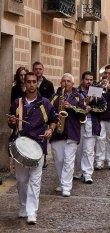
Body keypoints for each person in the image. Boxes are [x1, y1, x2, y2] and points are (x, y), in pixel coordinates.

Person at [8, 72, 57, 224]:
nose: (31, 84)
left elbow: (54, 120)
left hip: (38, 145)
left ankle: (31, 212)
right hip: (21, 145)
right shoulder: (17, 103)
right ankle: (23, 206)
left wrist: (50, 130)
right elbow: (12, 123)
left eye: (34, 82)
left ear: (37, 83)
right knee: (21, 180)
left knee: (35, 181)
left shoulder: (45, 103)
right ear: (25, 84)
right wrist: (11, 121)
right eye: (28, 81)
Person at [50, 73, 86, 197]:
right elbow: (49, 112)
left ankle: (66, 186)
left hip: (72, 132)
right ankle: (61, 182)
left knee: (69, 161)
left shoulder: (78, 97)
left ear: (72, 84)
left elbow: (83, 113)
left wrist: (71, 107)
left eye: (68, 81)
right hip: (57, 133)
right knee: (59, 160)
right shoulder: (55, 97)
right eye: (63, 81)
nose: (65, 83)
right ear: (60, 83)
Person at [77, 71, 107, 184]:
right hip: (78, 124)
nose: (89, 82)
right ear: (82, 80)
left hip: (91, 123)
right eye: (87, 79)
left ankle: (87, 173)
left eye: (91, 80)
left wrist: (92, 108)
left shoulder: (95, 91)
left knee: (89, 150)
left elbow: (104, 107)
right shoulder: (77, 92)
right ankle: (78, 171)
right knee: (78, 150)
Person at [33, 61, 55, 168]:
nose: (38, 71)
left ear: (43, 70)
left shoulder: (48, 84)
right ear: (33, 70)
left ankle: (43, 157)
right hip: (32, 114)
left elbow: (51, 99)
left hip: (44, 114)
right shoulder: (30, 82)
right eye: (36, 69)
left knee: (43, 136)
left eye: (40, 69)